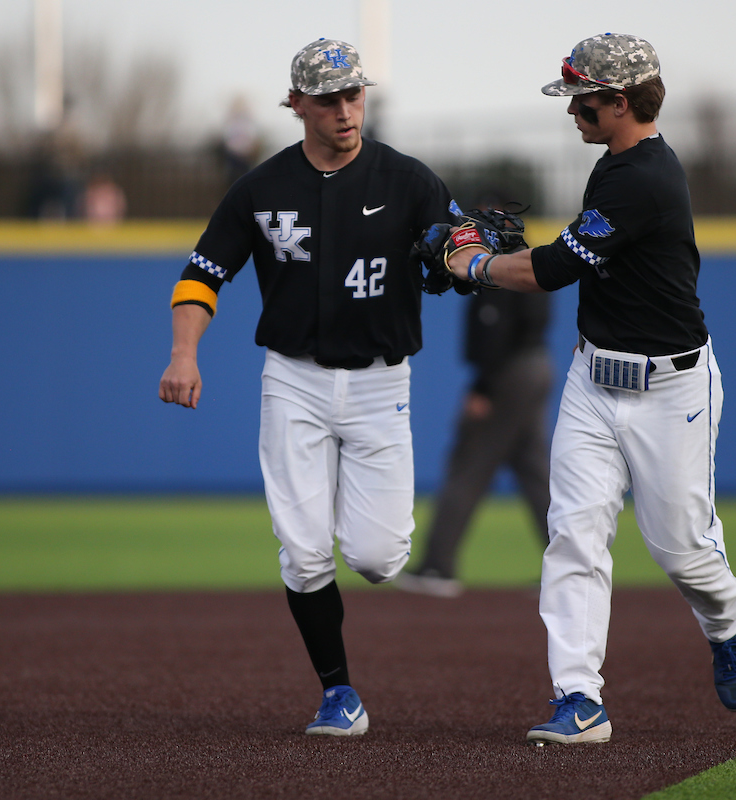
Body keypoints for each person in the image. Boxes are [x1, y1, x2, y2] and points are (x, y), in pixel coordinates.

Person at [441, 33, 736, 745]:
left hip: (671, 390)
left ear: (620, 101)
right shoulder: (615, 164)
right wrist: (491, 258)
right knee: (573, 536)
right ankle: (580, 699)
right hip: (594, 380)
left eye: (583, 100)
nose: (573, 112)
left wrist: (475, 266)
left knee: (682, 551)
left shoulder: (645, 177)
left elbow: (553, 268)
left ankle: (727, 624)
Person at [158, 38, 460, 737]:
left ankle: (345, 627)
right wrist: (184, 353)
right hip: (293, 380)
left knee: (380, 559)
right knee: (302, 549)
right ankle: (337, 693)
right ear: (296, 104)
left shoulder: (409, 180)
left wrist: (461, 256)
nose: (346, 111)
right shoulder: (261, 188)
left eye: (355, 96)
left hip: (382, 383)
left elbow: (459, 249)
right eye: (329, 99)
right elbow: (203, 274)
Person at [396, 287, 553, 598]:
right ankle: (572, 567)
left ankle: (436, 567)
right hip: (536, 364)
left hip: (509, 373)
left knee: (468, 466)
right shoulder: (532, 260)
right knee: (534, 472)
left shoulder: (502, 268)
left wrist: (483, 387)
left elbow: (495, 328)